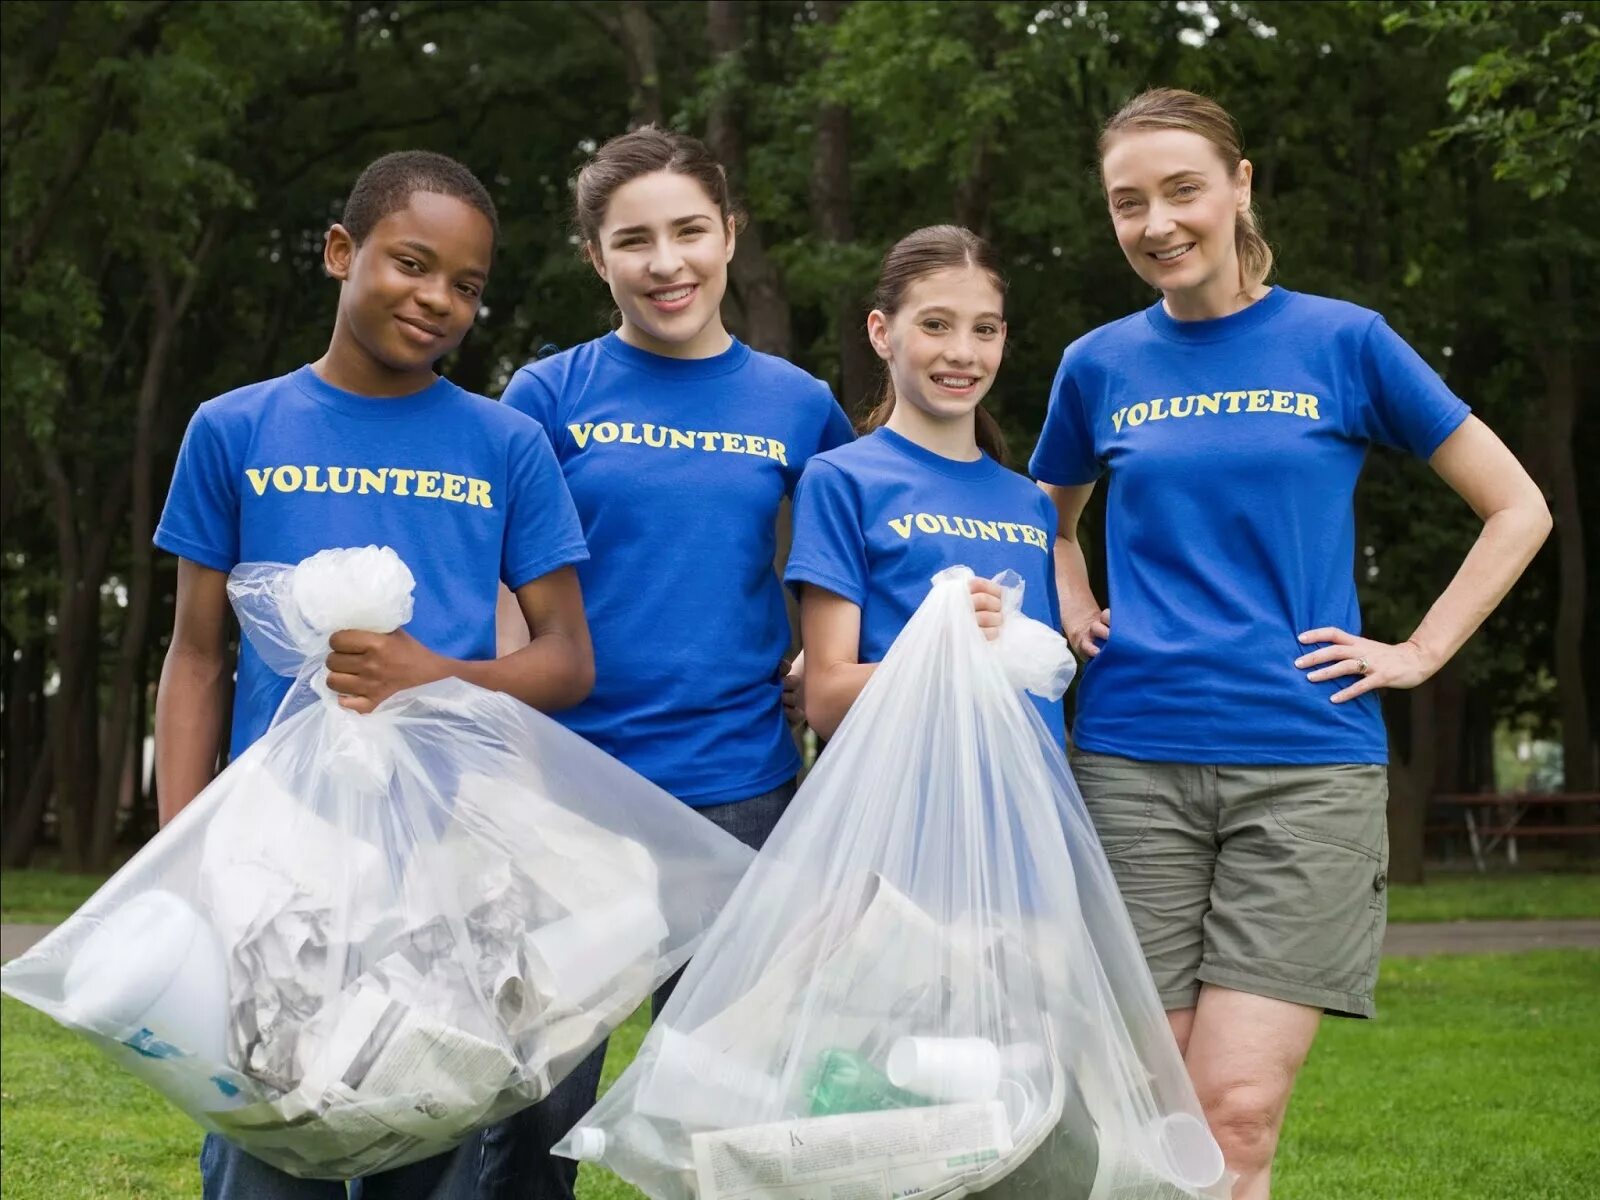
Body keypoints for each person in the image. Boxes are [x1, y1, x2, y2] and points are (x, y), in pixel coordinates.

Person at [1029, 87, 1552, 1198]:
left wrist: (1415, 652)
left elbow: (1517, 508)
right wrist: (1072, 599)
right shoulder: (1098, 364)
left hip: (1305, 764)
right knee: (1150, 1108)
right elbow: (1048, 518)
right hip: (1131, 761)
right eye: (1130, 203)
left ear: (1238, 185)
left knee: (1237, 1111)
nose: (1158, 222)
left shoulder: (1344, 341)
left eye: (1181, 190)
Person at [153, 150, 594, 1200]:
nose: (439, 299)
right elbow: (198, 656)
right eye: (412, 264)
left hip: (442, 865)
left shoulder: (507, 444)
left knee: (422, 1146)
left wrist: (431, 673)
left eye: (468, 286)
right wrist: (185, 858)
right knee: (267, 1151)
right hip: (276, 867)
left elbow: (568, 660)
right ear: (341, 252)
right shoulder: (235, 427)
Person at [489, 125, 853, 1200]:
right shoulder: (546, 397)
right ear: (595, 257)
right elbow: (503, 592)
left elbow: (858, 551)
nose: (667, 263)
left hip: (739, 797)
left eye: (690, 231)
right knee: (528, 1117)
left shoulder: (795, 403)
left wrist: (819, 651)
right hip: (568, 801)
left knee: (728, 1120)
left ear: (730, 235)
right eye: (633, 240)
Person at [785, 224, 1063, 746]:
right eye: (935, 324)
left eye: (984, 329)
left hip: (1027, 815)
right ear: (881, 333)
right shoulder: (842, 480)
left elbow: (1041, 687)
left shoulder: (1030, 503)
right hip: (904, 816)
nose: (962, 352)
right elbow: (825, 700)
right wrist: (944, 641)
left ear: (1003, 338)